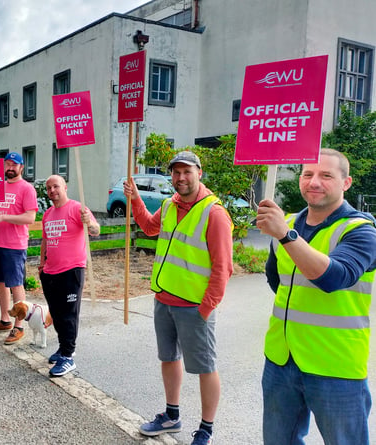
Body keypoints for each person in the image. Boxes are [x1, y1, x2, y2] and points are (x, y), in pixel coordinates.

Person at [256, 148, 376, 445]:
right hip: (282, 359)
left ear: (346, 183)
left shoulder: (361, 230)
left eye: (326, 175)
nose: (314, 182)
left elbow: (333, 278)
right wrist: (284, 232)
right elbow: (278, 280)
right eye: (308, 174)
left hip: (335, 365)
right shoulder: (287, 223)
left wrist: (285, 235)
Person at [123, 151, 233, 445]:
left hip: (195, 307)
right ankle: (172, 416)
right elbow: (148, 227)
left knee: (205, 367)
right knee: (168, 359)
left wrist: (207, 308)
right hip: (164, 301)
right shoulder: (170, 206)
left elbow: (223, 268)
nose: (181, 178)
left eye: (187, 172)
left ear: (199, 172)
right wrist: (135, 199)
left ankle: (206, 430)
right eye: (176, 172)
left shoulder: (215, 213)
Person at [39, 175, 100, 377]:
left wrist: (89, 224)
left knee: (68, 315)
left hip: (71, 271)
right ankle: (63, 346)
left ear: (64, 187)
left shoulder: (77, 208)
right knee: (56, 314)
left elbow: (95, 230)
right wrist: (41, 264)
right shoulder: (48, 214)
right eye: (48, 188)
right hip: (50, 272)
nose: (52, 190)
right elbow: (45, 241)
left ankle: (68, 356)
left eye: (56, 186)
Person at [0, 152, 38, 344]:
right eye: (7, 164)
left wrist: (3, 217)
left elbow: (30, 218)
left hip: (15, 245)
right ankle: (5, 320)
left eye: (15, 165)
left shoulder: (27, 189)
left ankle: (19, 325)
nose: (10, 168)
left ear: (21, 167)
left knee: (15, 284)